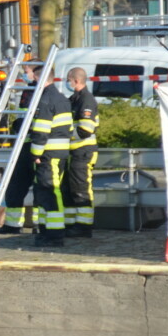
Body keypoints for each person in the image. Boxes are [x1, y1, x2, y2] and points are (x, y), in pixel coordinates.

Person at [29, 70, 73, 246]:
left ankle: (54, 235)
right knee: (48, 191)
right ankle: (46, 231)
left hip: (48, 153)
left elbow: (41, 130)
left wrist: (36, 153)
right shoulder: (61, 98)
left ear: (38, 78)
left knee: (49, 192)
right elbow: (68, 129)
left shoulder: (45, 100)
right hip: (60, 152)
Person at [0, 65, 37, 235]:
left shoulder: (41, 93)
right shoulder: (28, 91)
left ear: (35, 73)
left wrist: (23, 126)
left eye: (26, 72)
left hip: (37, 147)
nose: (24, 75)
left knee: (40, 189)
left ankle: (38, 225)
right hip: (23, 146)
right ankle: (12, 225)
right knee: (14, 187)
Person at [62, 67, 99, 239]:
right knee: (69, 189)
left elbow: (85, 129)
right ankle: (71, 224)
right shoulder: (75, 99)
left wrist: (64, 135)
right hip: (74, 151)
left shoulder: (86, 100)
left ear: (75, 81)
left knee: (81, 189)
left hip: (83, 150)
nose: (67, 83)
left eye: (68, 80)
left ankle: (84, 226)